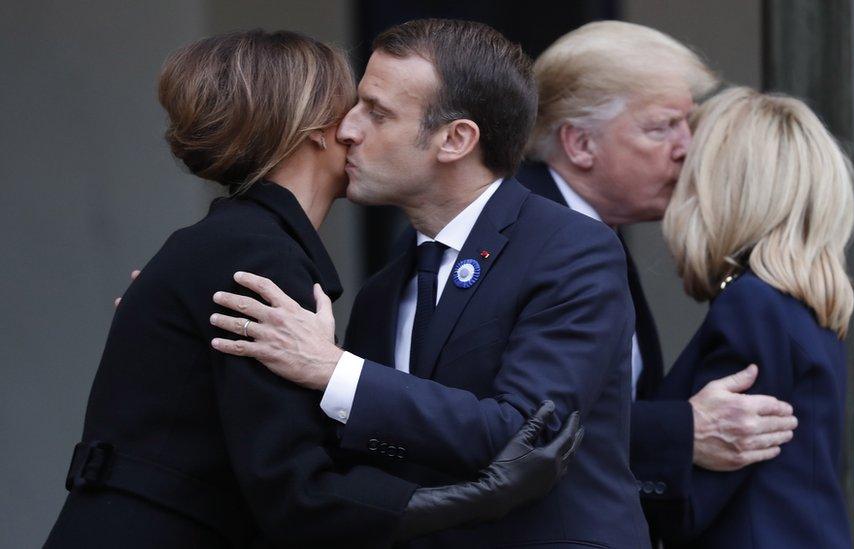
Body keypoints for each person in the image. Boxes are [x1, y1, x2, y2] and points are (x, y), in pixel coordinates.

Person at [45, 30, 581, 549]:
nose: (358, 130)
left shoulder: (229, 243)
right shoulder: (257, 256)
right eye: (357, 108)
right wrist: (479, 497)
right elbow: (297, 493)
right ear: (316, 130)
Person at [210, 19, 649, 548]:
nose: (346, 130)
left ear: (456, 139)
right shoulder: (384, 288)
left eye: (377, 112)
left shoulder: (570, 248)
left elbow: (529, 434)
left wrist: (334, 369)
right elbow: (356, 454)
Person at [515, 19, 798, 521]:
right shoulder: (522, 234)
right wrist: (683, 430)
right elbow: (514, 424)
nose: (687, 147)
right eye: (662, 126)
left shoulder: (587, 229)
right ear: (580, 144)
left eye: (688, 125)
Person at [645, 86, 854, 548]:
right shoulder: (803, 306)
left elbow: (689, 504)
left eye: (688, 175)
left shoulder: (754, 305)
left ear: (721, 189)